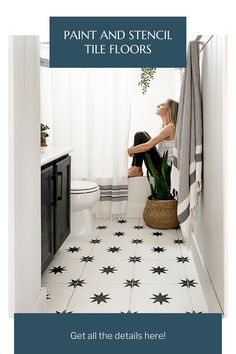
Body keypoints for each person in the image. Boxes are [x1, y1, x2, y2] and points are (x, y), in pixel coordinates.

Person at [127, 99, 178, 178]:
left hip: (164, 170)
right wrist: (134, 149)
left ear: (168, 111)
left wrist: (127, 151)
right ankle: (134, 167)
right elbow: (147, 146)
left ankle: (137, 169)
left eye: (162, 105)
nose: (158, 105)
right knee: (141, 135)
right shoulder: (166, 127)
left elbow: (147, 146)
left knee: (140, 135)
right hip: (161, 166)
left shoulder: (170, 127)